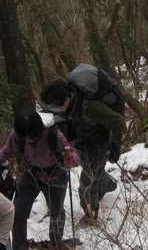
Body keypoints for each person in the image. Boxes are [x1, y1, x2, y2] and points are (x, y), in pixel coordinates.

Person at [40, 76, 125, 223]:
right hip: (81, 142)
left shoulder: (92, 107)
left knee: (87, 183)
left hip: (98, 144)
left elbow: (118, 122)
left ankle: (90, 217)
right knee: (92, 171)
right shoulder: (66, 101)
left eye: (54, 108)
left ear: (67, 100)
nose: (53, 112)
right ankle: (109, 185)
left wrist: (115, 146)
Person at [0, 110, 79, 250]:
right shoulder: (18, 134)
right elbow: (6, 150)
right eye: (25, 137)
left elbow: (73, 154)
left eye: (30, 137)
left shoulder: (54, 135)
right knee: (18, 210)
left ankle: (56, 242)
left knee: (56, 211)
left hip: (55, 176)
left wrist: (70, 157)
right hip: (31, 173)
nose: (27, 140)